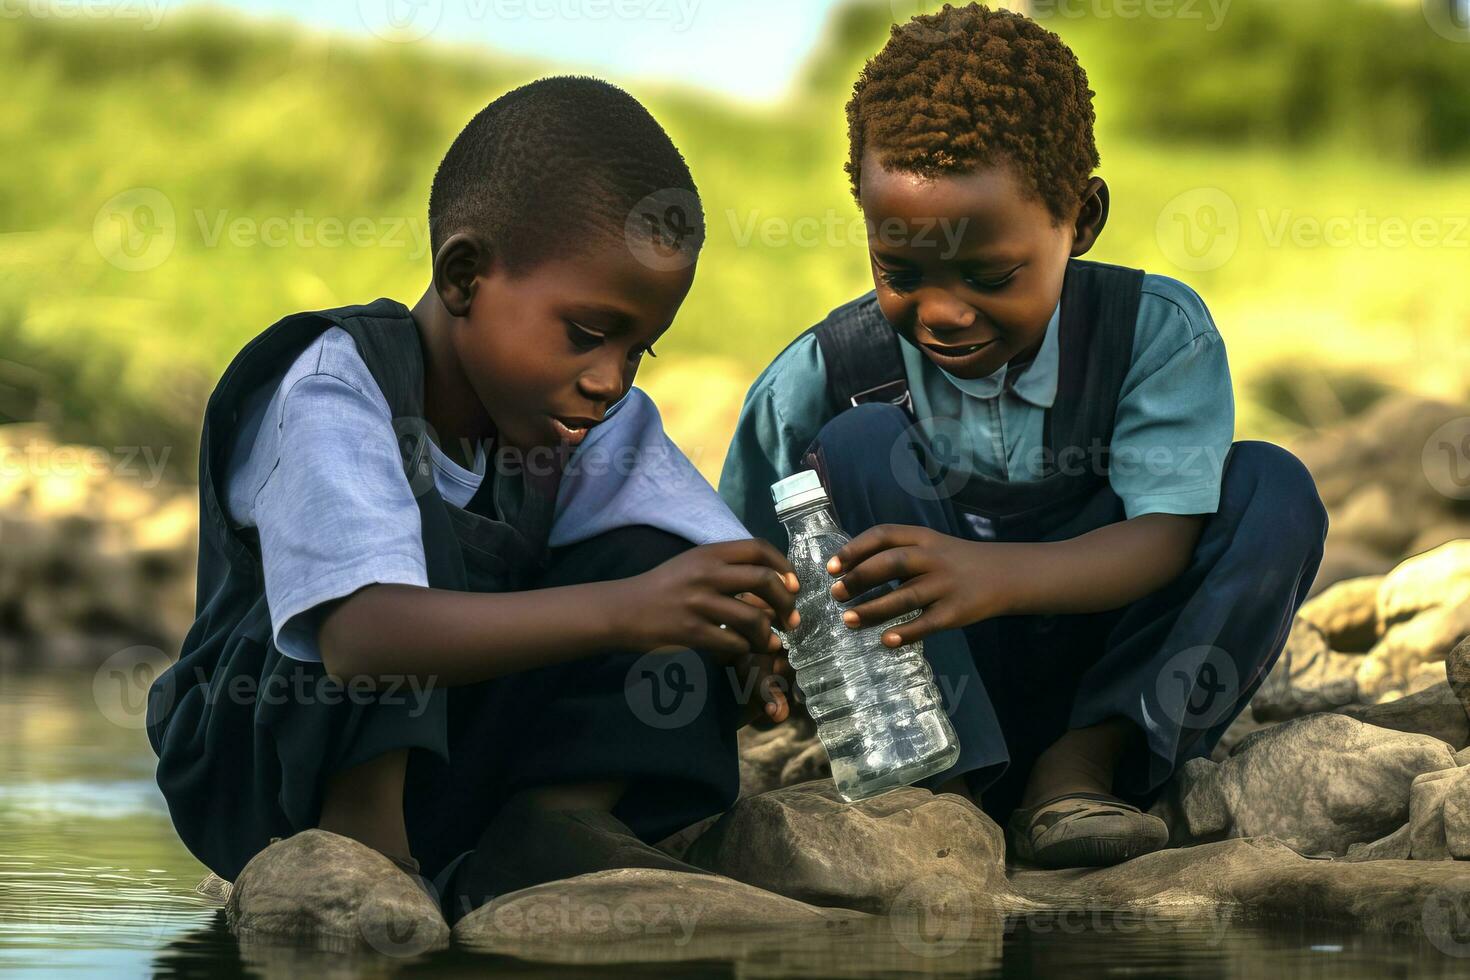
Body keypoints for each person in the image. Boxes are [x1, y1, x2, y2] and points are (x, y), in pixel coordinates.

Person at [147, 76, 801, 927]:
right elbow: (360, 638)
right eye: (585, 333)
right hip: (266, 769)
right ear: (464, 276)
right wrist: (627, 611)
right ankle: (369, 856)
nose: (609, 380)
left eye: (641, 351)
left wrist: (750, 641)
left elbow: (699, 570)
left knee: (677, 568)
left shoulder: (575, 416)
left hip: (461, 754)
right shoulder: (334, 388)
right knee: (405, 576)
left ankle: (558, 821)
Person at [718, 4, 1328, 869]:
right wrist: (763, 662)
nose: (943, 313)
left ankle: (1086, 765)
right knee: (855, 446)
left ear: (1081, 219)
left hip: (1103, 661)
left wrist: (992, 575)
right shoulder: (823, 375)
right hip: (920, 705)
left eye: (990, 275)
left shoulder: (1151, 336)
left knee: (1273, 487)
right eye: (901, 272)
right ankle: (947, 801)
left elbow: (1164, 538)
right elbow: (737, 561)